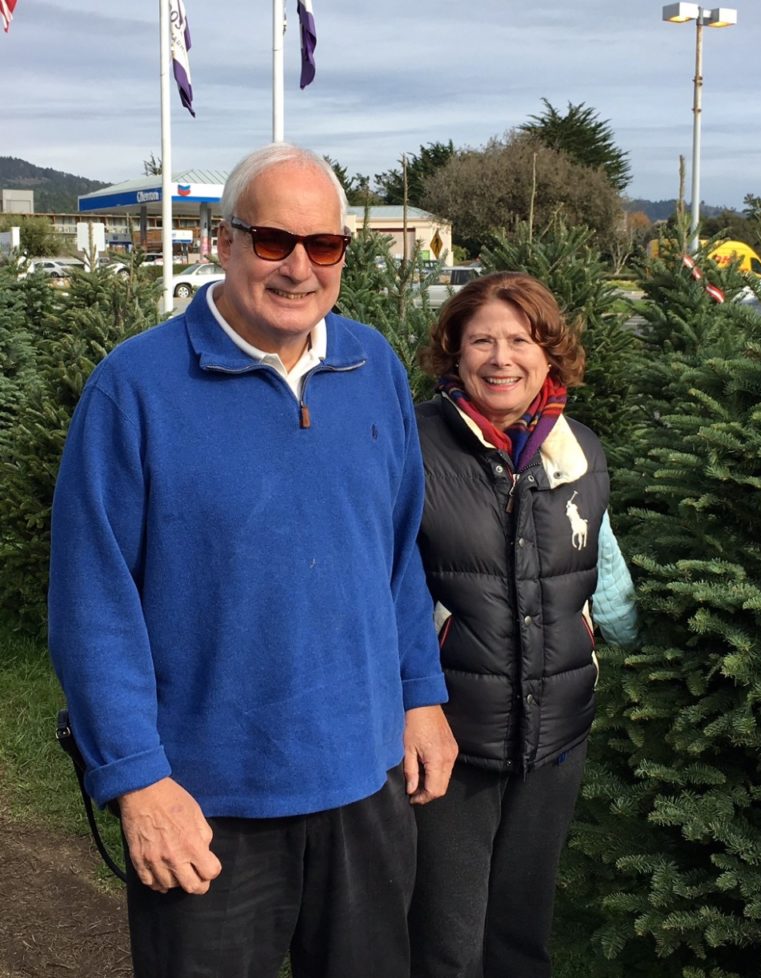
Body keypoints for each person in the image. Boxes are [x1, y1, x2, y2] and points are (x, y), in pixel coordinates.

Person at [47, 143, 457, 978]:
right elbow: (94, 604)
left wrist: (420, 697)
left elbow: (396, 553)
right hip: (205, 797)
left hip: (363, 779)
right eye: (273, 241)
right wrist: (137, 780)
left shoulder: (372, 365)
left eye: (325, 245)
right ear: (224, 243)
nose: (299, 267)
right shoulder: (134, 389)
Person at [408, 272, 638, 977]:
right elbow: (381, 585)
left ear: (549, 353)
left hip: (556, 734)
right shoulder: (413, 445)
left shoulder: (581, 451)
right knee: (446, 944)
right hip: (451, 737)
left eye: (519, 340)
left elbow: (602, 565)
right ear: (454, 350)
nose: (500, 357)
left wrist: (623, 627)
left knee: (521, 935)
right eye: (481, 340)